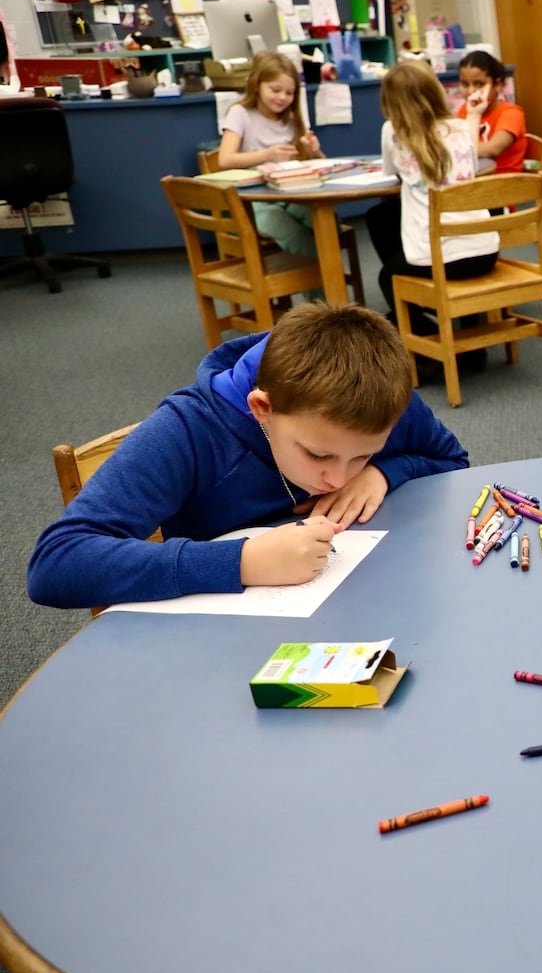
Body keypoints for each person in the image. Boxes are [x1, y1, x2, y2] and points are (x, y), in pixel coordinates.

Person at [28, 302, 468, 611]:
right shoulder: (186, 431)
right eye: (318, 454)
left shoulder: (381, 395)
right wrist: (242, 561)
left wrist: (385, 471)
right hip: (226, 646)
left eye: (361, 455)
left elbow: (453, 462)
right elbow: (56, 564)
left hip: (358, 601)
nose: (336, 478)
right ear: (263, 408)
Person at [372, 60, 499, 373]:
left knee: (387, 276)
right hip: (485, 252)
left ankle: (433, 345)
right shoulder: (460, 129)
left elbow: (391, 172)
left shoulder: (392, 132)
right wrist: (472, 114)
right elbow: (467, 149)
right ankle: (466, 334)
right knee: (384, 217)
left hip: (439, 259)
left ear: (389, 102)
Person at [216, 51, 321, 257]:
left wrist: (314, 151)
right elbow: (225, 159)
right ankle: (324, 286)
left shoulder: (291, 120)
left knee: (324, 221)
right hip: (254, 201)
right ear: (257, 85)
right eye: (275, 90)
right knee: (291, 232)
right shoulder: (241, 113)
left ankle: (323, 283)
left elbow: (315, 166)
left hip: (290, 195)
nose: (282, 97)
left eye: (289, 93)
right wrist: (267, 155)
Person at [455, 50, 528, 175]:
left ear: (497, 85)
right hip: (474, 179)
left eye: (479, 84)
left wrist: (458, 149)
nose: (471, 91)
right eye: (465, 84)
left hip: (503, 183)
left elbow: (494, 149)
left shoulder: (511, 113)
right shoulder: (464, 110)